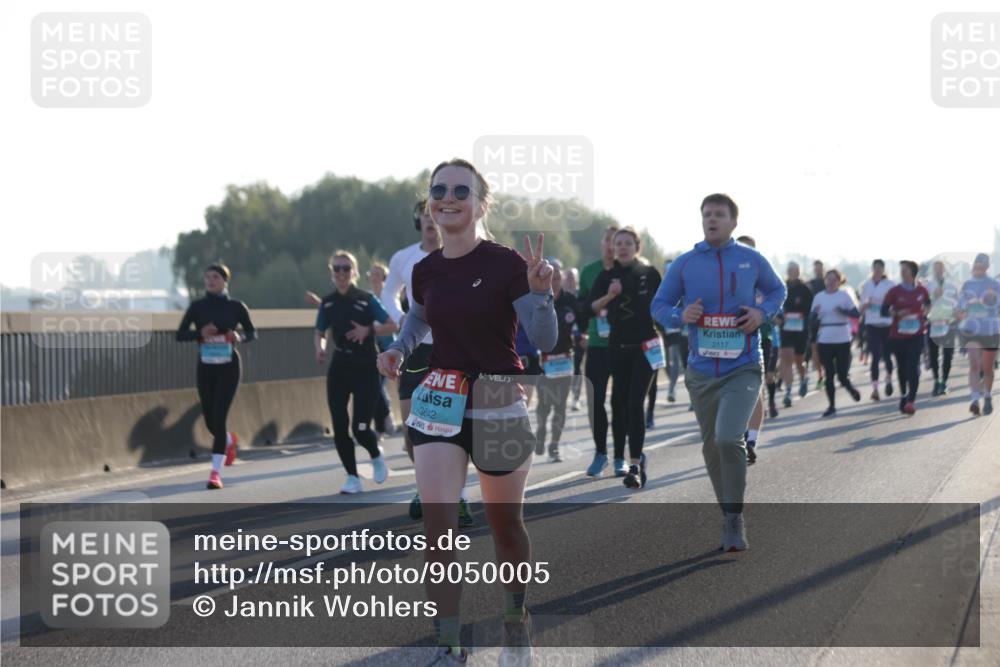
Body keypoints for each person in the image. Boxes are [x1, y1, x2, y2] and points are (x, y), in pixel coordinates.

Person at [378, 158, 557, 664]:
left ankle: (516, 620)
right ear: (429, 202)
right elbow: (417, 316)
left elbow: (543, 338)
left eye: (461, 189)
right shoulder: (424, 268)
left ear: (481, 203)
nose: (447, 197)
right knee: (439, 523)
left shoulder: (504, 263)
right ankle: (449, 640)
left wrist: (541, 295)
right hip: (441, 400)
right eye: (439, 190)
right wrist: (399, 347)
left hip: (498, 399)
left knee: (505, 526)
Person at [652, 194, 786, 551]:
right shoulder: (684, 264)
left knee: (729, 438)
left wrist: (761, 314)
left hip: (742, 366)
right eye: (707, 214)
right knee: (712, 448)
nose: (712, 219)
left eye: (719, 214)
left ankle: (735, 514)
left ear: (733, 222)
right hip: (700, 370)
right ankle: (728, 515)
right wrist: (681, 316)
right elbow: (660, 305)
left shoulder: (752, 259)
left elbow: (777, 291)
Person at [382, 200, 475, 526]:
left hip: (452, 350)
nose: (429, 223)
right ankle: (425, 486)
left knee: (451, 428)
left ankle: (458, 495)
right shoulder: (404, 258)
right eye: (423, 217)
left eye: (433, 216)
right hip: (416, 351)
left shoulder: (463, 254)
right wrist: (402, 320)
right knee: (413, 429)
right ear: (419, 221)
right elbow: (388, 294)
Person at [315, 250, 396, 494]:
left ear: (355, 272)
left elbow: (392, 324)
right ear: (332, 273)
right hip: (340, 366)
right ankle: (352, 477)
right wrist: (319, 349)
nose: (341, 273)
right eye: (336, 269)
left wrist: (368, 331)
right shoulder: (327, 302)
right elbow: (319, 331)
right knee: (340, 424)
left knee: (360, 428)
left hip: (366, 366)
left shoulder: (367, 299)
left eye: (346, 268)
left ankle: (375, 453)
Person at [589, 227, 663, 489]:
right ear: (612, 248)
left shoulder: (648, 273)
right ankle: (629, 457)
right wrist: (610, 295)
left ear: (636, 247)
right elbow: (590, 308)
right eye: (618, 243)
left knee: (634, 403)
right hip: (617, 347)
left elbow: (664, 304)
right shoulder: (606, 276)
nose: (622, 247)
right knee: (619, 403)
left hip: (645, 347)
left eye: (627, 243)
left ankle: (634, 465)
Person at [176, 263, 256, 490]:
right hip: (206, 367)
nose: (210, 281)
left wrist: (237, 336)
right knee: (211, 421)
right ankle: (229, 440)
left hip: (229, 367)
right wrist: (199, 333)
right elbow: (180, 335)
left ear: (224, 281)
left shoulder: (236, 307)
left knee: (219, 418)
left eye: (215, 277)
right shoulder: (197, 307)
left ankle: (215, 474)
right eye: (207, 277)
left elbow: (252, 332)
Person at [579, 225, 620, 477]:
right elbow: (581, 305)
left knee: (622, 402)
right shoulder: (589, 271)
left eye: (616, 241)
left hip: (624, 345)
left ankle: (621, 456)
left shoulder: (628, 270)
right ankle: (601, 452)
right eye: (607, 240)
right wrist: (580, 332)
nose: (611, 245)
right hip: (596, 344)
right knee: (595, 402)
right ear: (601, 243)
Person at [735, 235, 778, 465]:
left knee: (754, 389)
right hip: (730, 340)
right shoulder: (726, 275)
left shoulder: (762, 274)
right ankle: (739, 434)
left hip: (760, 338)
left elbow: (778, 298)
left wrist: (762, 313)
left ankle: (751, 440)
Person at [535, 259, 578, 462]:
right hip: (545, 360)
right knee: (544, 406)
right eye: (552, 279)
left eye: (558, 278)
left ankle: (554, 446)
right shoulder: (538, 300)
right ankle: (541, 433)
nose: (556, 282)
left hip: (565, 360)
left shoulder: (570, 300)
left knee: (560, 405)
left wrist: (582, 336)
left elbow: (583, 320)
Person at [881, 260, 931, 414]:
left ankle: (911, 401)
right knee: (902, 369)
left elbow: (928, 304)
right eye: (901, 269)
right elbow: (883, 311)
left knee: (913, 366)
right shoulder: (894, 291)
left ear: (912, 272)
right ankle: (903, 395)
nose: (902, 272)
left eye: (905, 269)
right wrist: (896, 313)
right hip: (898, 336)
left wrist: (925, 312)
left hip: (916, 334)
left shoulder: (922, 290)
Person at [811, 269, 863, 417]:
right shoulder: (819, 297)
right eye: (828, 279)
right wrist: (815, 316)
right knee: (829, 374)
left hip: (842, 338)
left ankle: (850, 388)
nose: (831, 282)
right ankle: (831, 406)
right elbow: (811, 319)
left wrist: (843, 311)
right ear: (825, 280)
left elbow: (856, 314)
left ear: (839, 281)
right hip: (825, 338)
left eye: (834, 279)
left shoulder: (844, 296)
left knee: (842, 375)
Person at [957, 253, 1000, 416]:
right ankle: (975, 400)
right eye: (976, 266)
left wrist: (991, 298)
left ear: (987, 267)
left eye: (982, 266)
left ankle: (987, 396)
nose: (978, 269)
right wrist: (964, 306)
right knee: (974, 365)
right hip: (971, 330)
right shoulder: (967, 284)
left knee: (987, 368)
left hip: (990, 329)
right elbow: (960, 303)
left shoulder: (994, 284)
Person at [777, 261, 814, 406]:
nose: (792, 272)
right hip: (786, 329)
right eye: (790, 269)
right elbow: (776, 305)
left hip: (801, 329)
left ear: (799, 272)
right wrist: (779, 318)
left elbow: (810, 309)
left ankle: (803, 378)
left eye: (795, 270)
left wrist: (802, 315)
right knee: (787, 360)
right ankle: (788, 392)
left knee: (799, 361)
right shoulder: (782, 287)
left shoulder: (805, 289)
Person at [367, 262, 397, 438]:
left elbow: (395, 324)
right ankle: (382, 421)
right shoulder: (367, 297)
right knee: (374, 384)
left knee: (378, 383)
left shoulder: (389, 297)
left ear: (384, 278)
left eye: (378, 274)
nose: (374, 277)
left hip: (388, 344)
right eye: (372, 274)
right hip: (371, 344)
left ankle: (383, 418)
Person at [860, 260, 897, 401]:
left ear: (883, 270)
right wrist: (866, 304)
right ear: (872, 269)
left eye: (880, 268)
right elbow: (861, 306)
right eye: (875, 268)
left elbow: (895, 302)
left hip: (886, 323)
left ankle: (888, 379)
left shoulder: (890, 285)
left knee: (887, 355)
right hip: (872, 324)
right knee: (874, 357)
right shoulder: (866, 285)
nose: (877, 270)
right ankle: (875, 389)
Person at [926, 260, 959, 396]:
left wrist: (957, 314)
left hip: (949, 323)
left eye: (941, 268)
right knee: (933, 355)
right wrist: (934, 295)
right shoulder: (927, 285)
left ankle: (943, 382)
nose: (938, 270)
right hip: (933, 323)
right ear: (933, 270)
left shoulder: (952, 286)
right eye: (936, 268)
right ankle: (936, 381)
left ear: (945, 270)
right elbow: (923, 303)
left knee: (948, 355)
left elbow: (957, 303)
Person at [563, 267, 587, 411]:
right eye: (568, 276)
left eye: (573, 276)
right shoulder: (559, 296)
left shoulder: (580, 296)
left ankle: (576, 398)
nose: (570, 279)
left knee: (577, 366)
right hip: (562, 338)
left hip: (578, 338)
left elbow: (584, 318)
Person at [807, 260, 827, 389]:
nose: (818, 270)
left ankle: (828, 370)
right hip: (814, 320)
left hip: (827, 320)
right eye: (816, 268)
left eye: (820, 268)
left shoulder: (829, 282)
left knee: (826, 347)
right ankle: (820, 374)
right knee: (814, 348)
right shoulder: (811, 284)